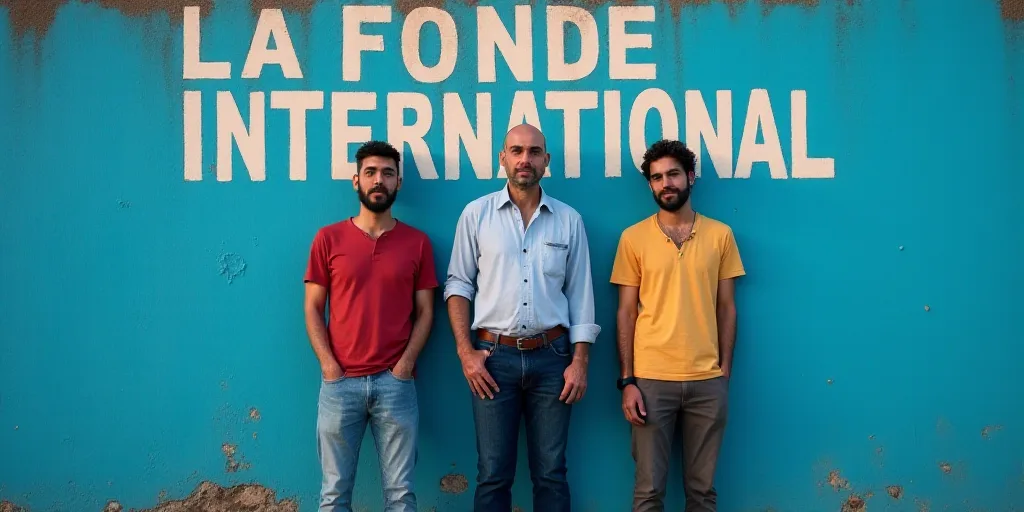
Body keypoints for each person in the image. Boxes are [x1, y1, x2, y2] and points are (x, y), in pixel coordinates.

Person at [444, 123, 601, 512]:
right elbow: (458, 284)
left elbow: (581, 295)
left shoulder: (568, 220)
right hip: (492, 360)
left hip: (553, 359)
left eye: (533, 152)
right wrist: (465, 352)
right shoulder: (477, 215)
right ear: (503, 158)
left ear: (546, 160)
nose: (524, 159)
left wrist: (580, 361)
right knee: (493, 474)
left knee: (551, 473)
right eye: (516, 151)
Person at [610, 139, 745, 512]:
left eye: (672, 174)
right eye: (656, 178)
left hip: (707, 380)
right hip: (651, 381)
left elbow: (727, 308)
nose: (665, 183)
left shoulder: (720, 235)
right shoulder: (633, 238)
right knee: (649, 492)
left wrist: (724, 372)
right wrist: (628, 381)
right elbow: (625, 313)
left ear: (690, 177)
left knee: (702, 493)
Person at [303, 140, 438, 512]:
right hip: (339, 384)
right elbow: (312, 308)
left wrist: (404, 366)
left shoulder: (417, 243)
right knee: (333, 496)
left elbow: (426, 312)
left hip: (395, 384)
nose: (379, 180)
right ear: (356, 181)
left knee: (401, 496)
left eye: (388, 173)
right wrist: (329, 366)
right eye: (371, 172)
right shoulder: (328, 239)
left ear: (398, 183)